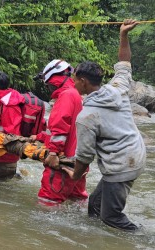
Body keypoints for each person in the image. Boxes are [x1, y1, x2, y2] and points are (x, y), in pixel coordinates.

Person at [62, 19, 145, 232]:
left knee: (111, 218)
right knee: (95, 205)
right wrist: (123, 35)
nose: (72, 82)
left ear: (83, 81)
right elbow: (124, 64)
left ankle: (141, 240)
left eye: (74, 79)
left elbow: (84, 156)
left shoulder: (87, 116)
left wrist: (75, 175)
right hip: (136, 154)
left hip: (121, 166)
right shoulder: (117, 88)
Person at [32, 59, 88, 205]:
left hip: (63, 162)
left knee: (48, 202)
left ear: (54, 80)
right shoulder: (76, 95)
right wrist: (39, 136)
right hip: (78, 162)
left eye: (48, 84)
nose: (48, 88)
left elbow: (60, 126)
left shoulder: (66, 95)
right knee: (77, 202)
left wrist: (53, 153)